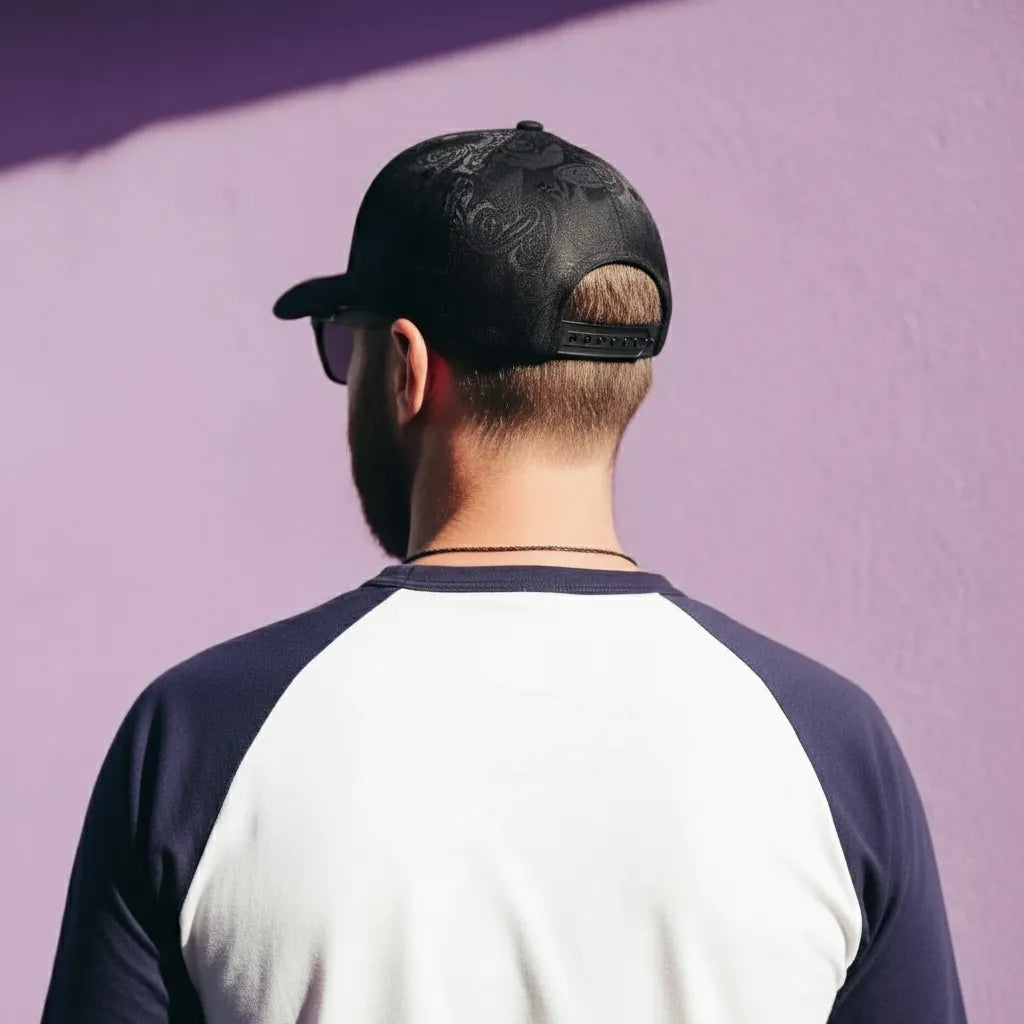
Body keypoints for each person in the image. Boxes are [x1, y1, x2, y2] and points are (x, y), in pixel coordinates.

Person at [42, 120, 967, 1024]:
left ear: (406, 367)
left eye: (345, 344)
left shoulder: (202, 735)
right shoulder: (831, 745)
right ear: (629, 383)